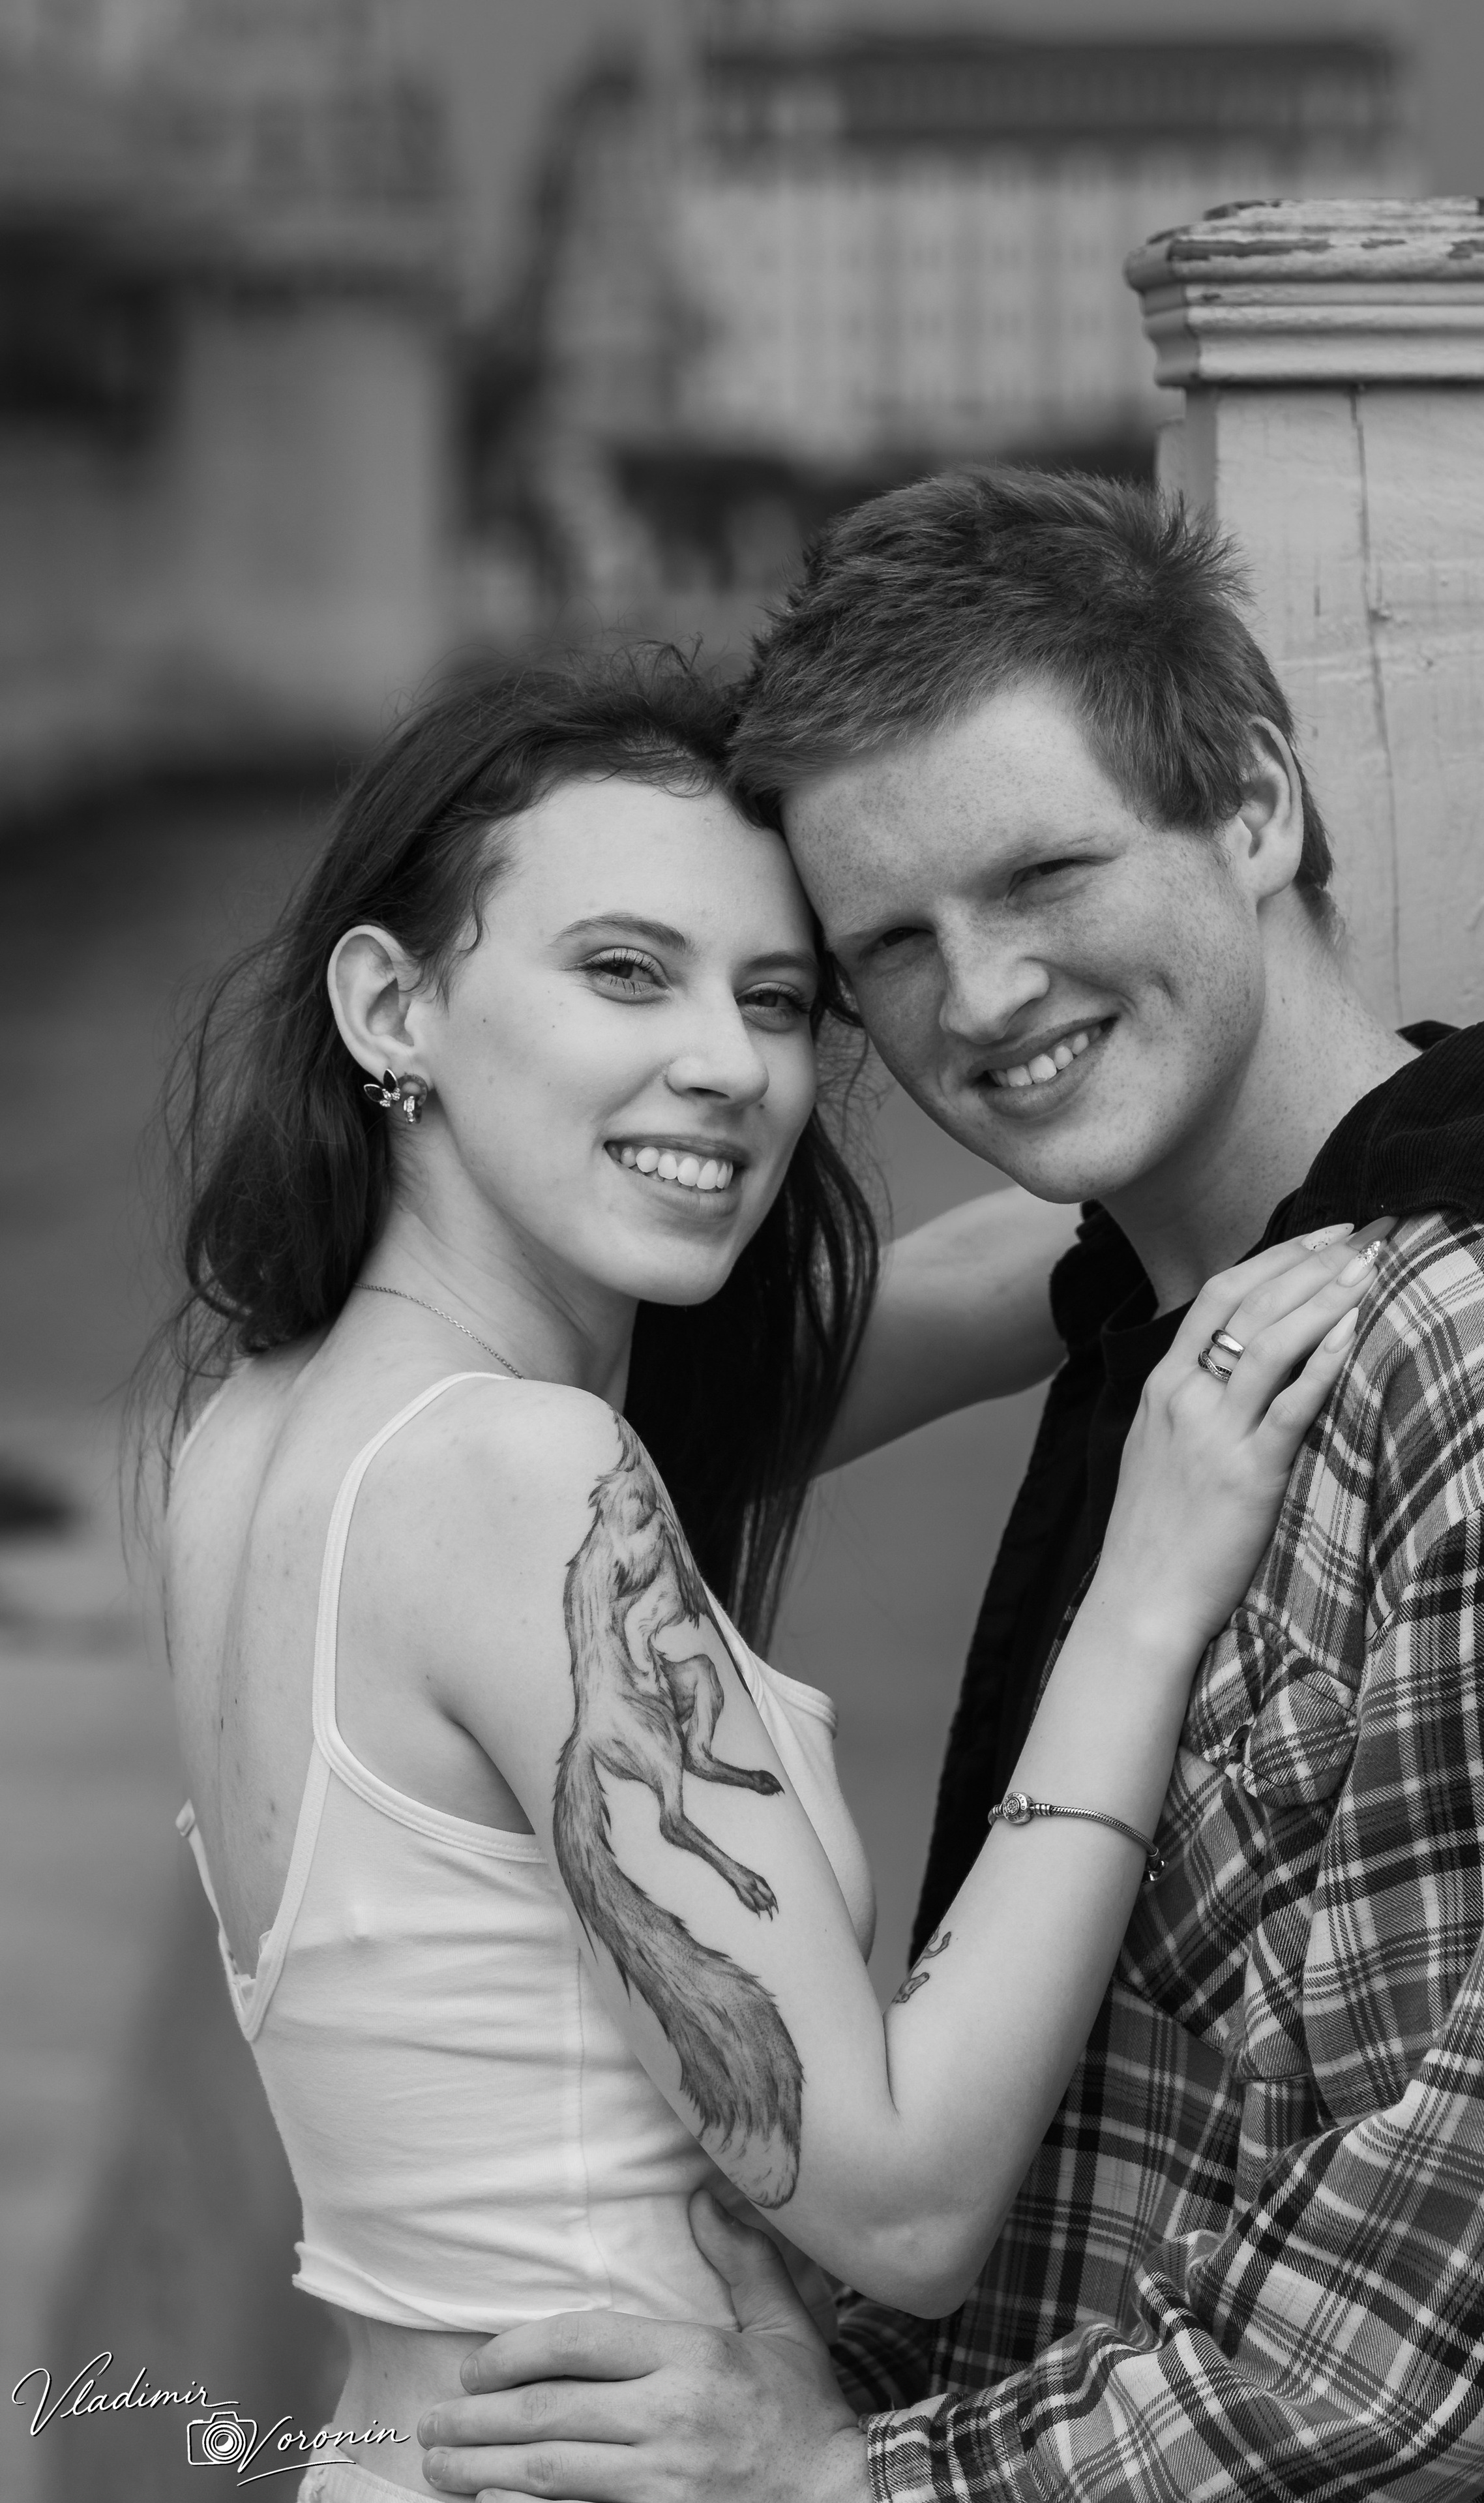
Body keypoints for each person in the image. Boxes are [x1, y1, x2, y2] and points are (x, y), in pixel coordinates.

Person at [417, 473, 1484, 2503]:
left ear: (1253, 803)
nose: (981, 1000)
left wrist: (863, 2488)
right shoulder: (1164, 1316)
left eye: (1045, 876)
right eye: (885, 949)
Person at [156, 650, 1372, 2502]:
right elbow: (903, 2199)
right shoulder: (520, 1476)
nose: (727, 1065)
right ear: (392, 1002)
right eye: (624, 971)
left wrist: (1387, 1108)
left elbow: (1008, 1281)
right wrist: (1146, 1580)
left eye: (782, 997)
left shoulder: (260, 1421)